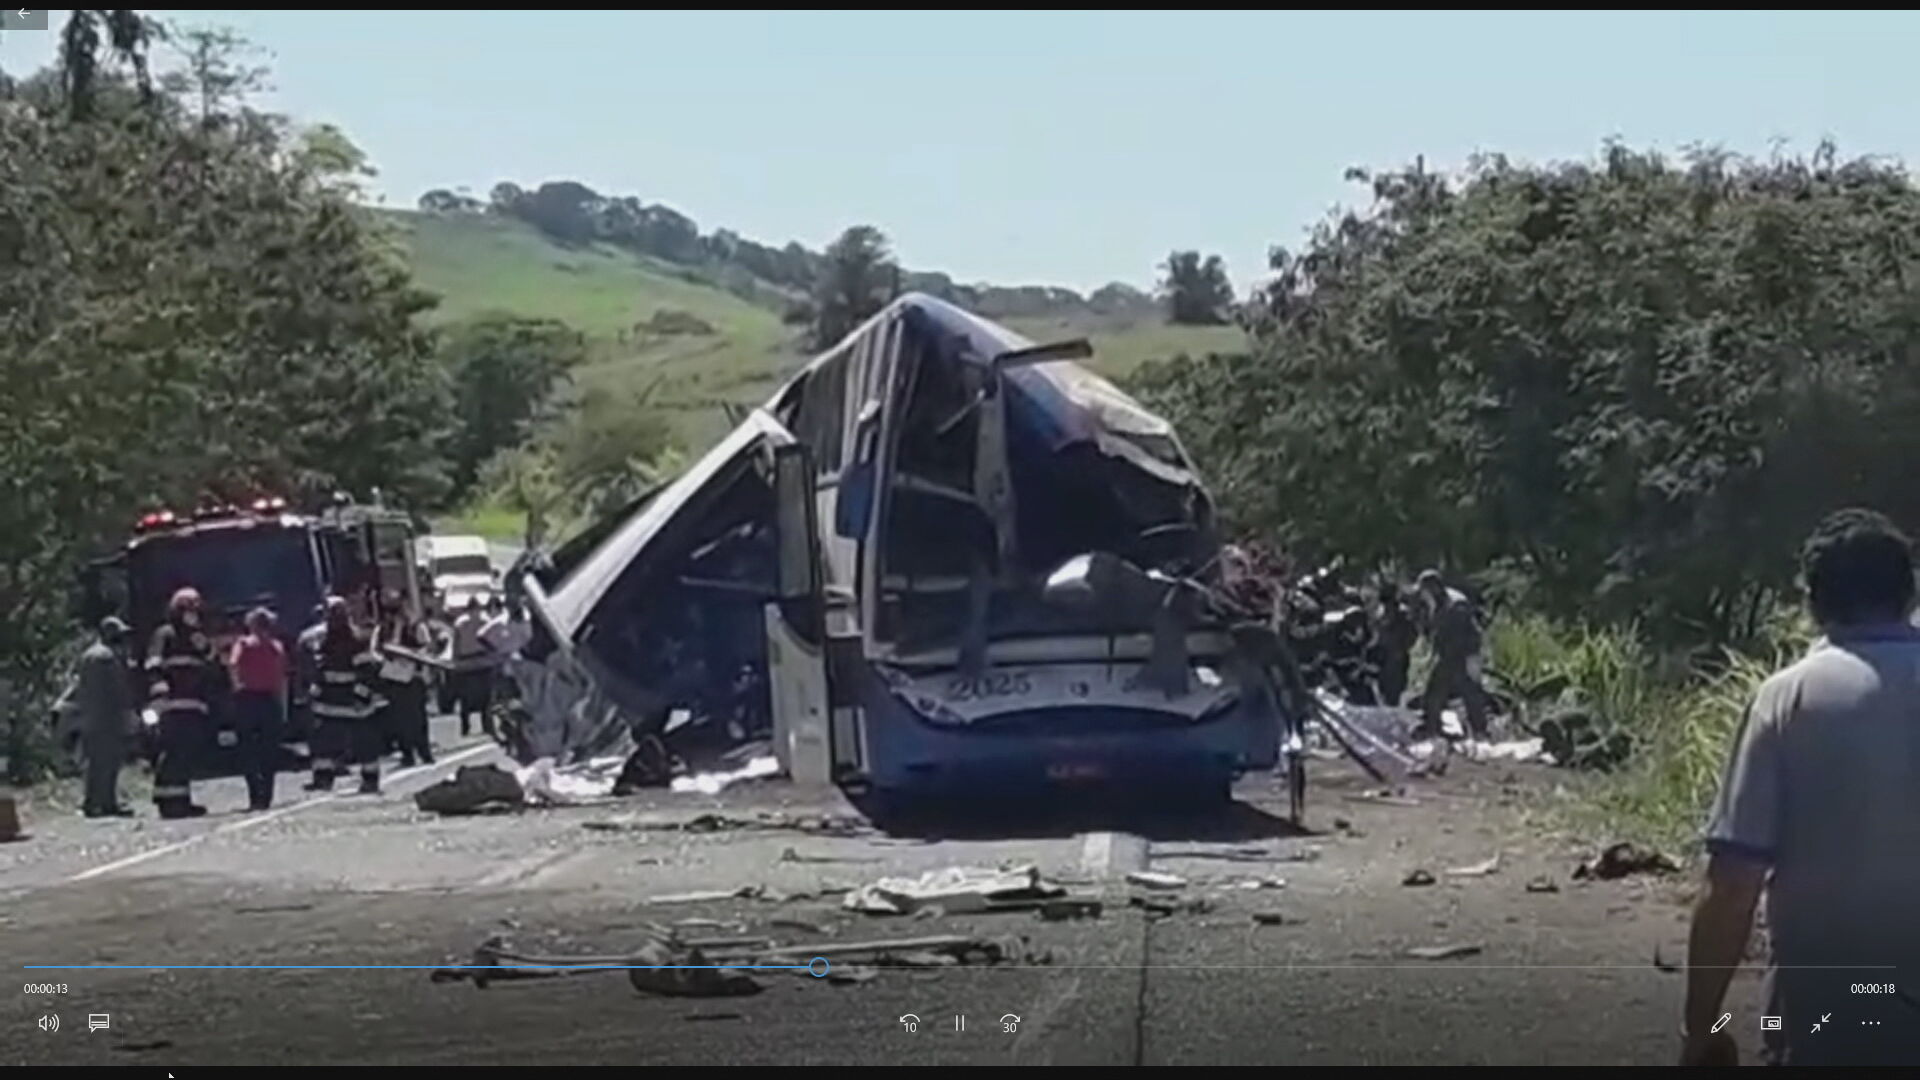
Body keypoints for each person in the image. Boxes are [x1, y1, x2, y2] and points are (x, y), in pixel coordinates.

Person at [1682, 509, 1920, 1067]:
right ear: (1909, 592)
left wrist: (1702, 1026)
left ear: (1812, 601)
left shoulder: (1789, 699)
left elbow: (1734, 884)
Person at [145, 587, 217, 819]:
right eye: (189, 610)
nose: (193, 615)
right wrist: (160, 690)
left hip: (193, 704)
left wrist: (203, 643)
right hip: (172, 704)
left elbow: (210, 662)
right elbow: (153, 665)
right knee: (173, 752)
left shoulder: (196, 638)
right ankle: (167, 801)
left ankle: (182, 800)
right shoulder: (165, 634)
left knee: (187, 754)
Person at [308, 597, 384, 793]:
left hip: (351, 703)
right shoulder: (322, 642)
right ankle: (323, 778)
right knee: (324, 744)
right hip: (330, 703)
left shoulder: (358, 641)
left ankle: (370, 779)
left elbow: (367, 672)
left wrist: (361, 696)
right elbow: (318, 671)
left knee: (363, 744)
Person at [1414, 568, 1488, 739]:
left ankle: (1479, 730)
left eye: (1424, 590)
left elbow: (1463, 635)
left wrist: (1470, 660)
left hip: (1464, 654)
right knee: (1438, 691)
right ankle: (1432, 727)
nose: (1422, 595)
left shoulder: (1456, 605)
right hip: (1449, 655)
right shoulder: (1438, 603)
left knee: (1468, 691)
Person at [76, 616, 137, 818]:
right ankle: (101, 803)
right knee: (107, 762)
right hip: (107, 717)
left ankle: (97, 802)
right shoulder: (106, 657)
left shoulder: (89, 655)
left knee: (97, 761)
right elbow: (117, 690)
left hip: (91, 717)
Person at [227, 607, 287, 811]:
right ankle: (266, 794)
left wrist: (237, 687)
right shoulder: (276, 647)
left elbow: (233, 665)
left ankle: (255, 794)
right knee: (269, 750)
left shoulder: (243, 644)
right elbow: (281, 678)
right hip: (270, 700)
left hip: (247, 700)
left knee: (248, 749)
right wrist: (282, 706)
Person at [375, 596, 435, 767]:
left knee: (418, 718)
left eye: (396, 611)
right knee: (399, 719)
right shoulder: (383, 629)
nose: (393, 616)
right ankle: (407, 753)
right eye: (391, 612)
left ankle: (425, 752)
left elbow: (426, 648)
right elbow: (376, 650)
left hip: (413, 678)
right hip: (394, 679)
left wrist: (411, 657)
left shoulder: (416, 627)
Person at [450, 596, 494, 738]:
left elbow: (456, 645)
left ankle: (465, 726)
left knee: (465, 697)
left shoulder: (459, 623)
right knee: (486, 696)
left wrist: (455, 661)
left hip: (466, 662)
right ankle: (487, 725)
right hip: (483, 661)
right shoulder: (486, 620)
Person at [1375, 581, 1418, 708]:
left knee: (1397, 692)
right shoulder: (1381, 614)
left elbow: (1412, 636)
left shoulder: (1403, 615)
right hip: (1385, 659)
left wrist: (1404, 649)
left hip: (1399, 659)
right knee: (1386, 693)